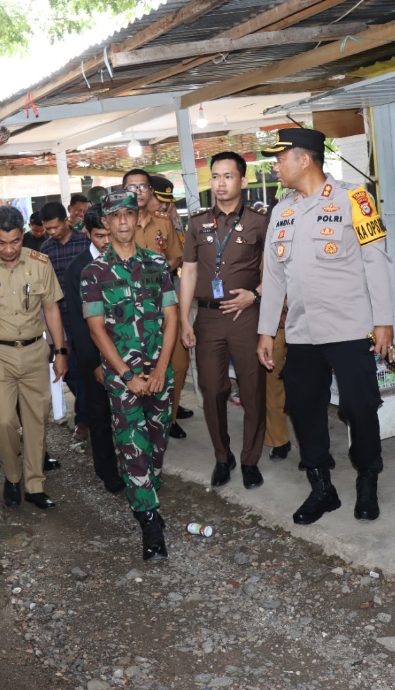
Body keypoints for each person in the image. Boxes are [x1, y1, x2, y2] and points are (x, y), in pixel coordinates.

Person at [256, 128, 395, 526]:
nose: (275, 166)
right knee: (304, 408)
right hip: (302, 332)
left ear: (304, 160)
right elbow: (274, 277)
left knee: (360, 407)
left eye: (280, 159)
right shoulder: (281, 211)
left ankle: (367, 478)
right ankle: (322, 488)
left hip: (351, 328)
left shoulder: (355, 198)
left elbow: (376, 262)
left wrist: (384, 322)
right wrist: (266, 331)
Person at [81, 191, 179, 560]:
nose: (123, 221)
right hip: (123, 380)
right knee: (132, 445)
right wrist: (126, 376)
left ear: (138, 219)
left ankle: (148, 490)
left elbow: (171, 318)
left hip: (159, 373)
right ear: (106, 223)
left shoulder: (157, 263)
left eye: (128, 213)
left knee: (157, 443)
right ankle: (149, 521)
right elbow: (96, 330)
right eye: (115, 215)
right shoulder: (93, 273)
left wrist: (160, 368)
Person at [0, 206, 67, 511]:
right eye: (2, 242)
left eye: (16, 241)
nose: (9, 249)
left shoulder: (40, 263)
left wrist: (60, 351)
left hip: (34, 351)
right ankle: (12, 474)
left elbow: (51, 310)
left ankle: (34, 484)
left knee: (36, 420)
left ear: (23, 235)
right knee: (3, 421)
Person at [178, 152, 267, 490]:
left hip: (246, 316)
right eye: (215, 176)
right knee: (212, 388)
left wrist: (255, 295)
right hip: (209, 318)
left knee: (252, 389)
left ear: (243, 180)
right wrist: (186, 320)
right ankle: (222, 456)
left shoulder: (260, 221)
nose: (220, 183)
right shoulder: (197, 223)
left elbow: (276, 271)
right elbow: (188, 272)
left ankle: (250, 459)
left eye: (228, 176)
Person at [125, 169, 192, 440]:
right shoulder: (118, 223)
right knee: (136, 367)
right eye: (132, 188)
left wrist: (156, 275)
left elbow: (177, 257)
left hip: (164, 305)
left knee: (178, 363)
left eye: (143, 187)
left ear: (150, 191)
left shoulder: (164, 222)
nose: (138, 192)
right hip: (129, 312)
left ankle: (169, 419)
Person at [64, 204, 126, 494]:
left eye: (109, 234)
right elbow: (79, 325)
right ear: (87, 233)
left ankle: (135, 465)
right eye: (100, 236)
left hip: (127, 352)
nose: (106, 241)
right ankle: (107, 471)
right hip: (96, 358)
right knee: (100, 417)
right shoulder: (77, 269)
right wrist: (93, 364)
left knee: (129, 415)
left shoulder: (124, 259)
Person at [39, 201, 91, 443]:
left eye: (56, 227)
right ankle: (85, 414)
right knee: (69, 369)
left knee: (89, 365)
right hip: (59, 318)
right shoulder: (46, 250)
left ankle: (85, 419)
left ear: (66, 220)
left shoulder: (85, 242)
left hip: (87, 315)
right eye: (48, 228)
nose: (52, 232)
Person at [264, 300, 293, 460]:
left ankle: (316, 443)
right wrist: (275, 312)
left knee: (311, 386)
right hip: (272, 324)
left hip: (308, 318)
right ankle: (279, 440)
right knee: (273, 385)